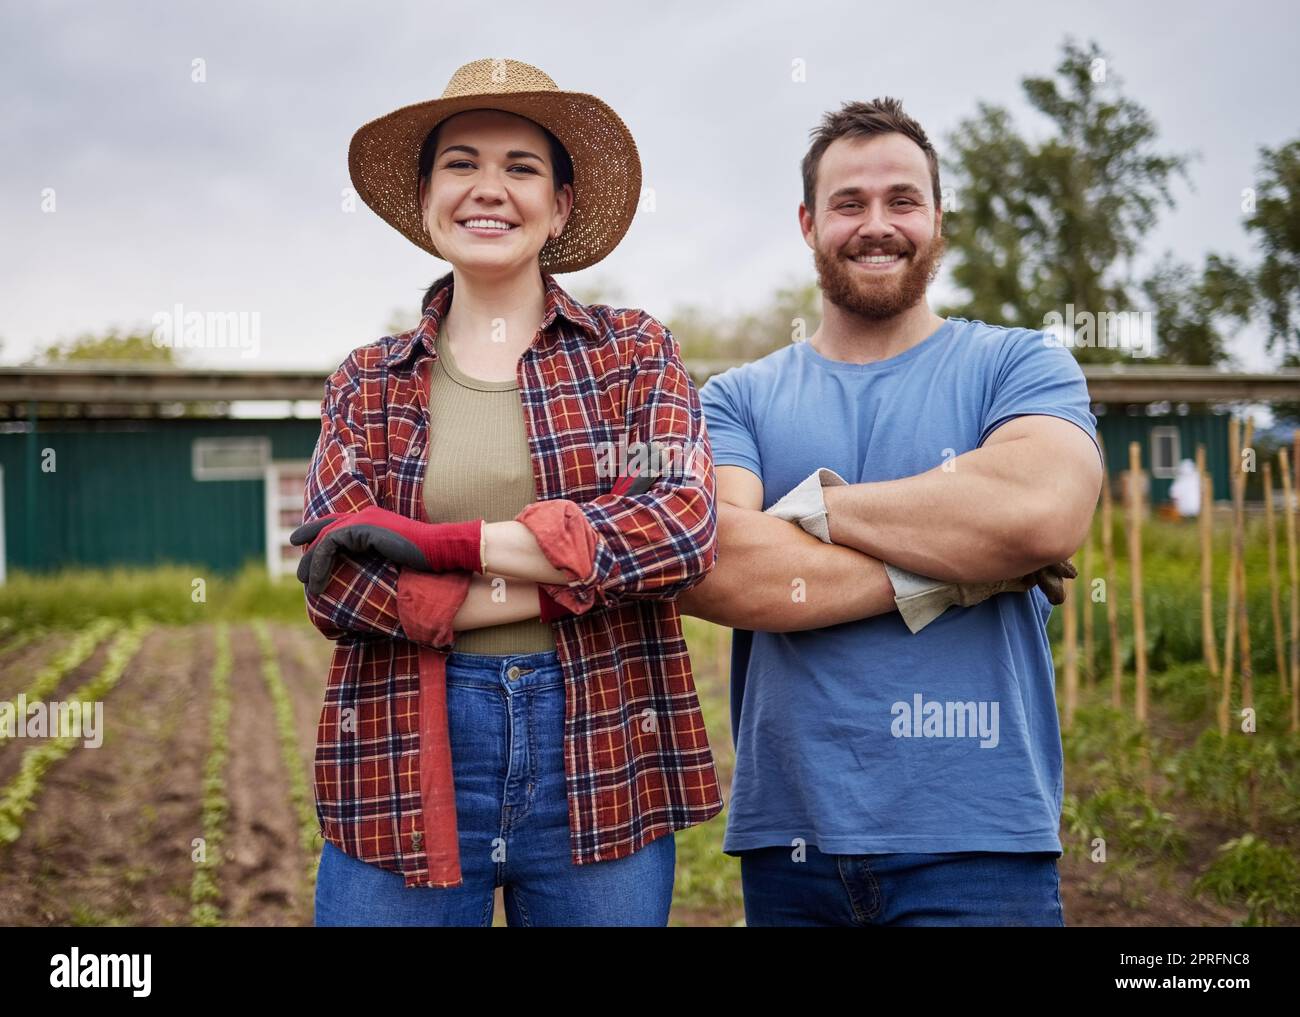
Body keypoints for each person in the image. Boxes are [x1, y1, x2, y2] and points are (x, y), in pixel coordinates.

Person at [295, 58, 720, 926]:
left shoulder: (633, 354)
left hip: (600, 748)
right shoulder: (368, 381)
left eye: (521, 167)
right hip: (403, 752)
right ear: (425, 198)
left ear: (561, 204)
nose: (489, 188)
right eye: (462, 163)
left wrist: (446, 546)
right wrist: (576, 570)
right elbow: (338, 581)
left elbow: (678, 528)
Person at [679, 97, 1104, 926]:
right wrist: (964, 571)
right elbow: (720, 564)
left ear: (939, 218)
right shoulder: (737, 397)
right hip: (791, 843)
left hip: (979, 841)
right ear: (808, 223)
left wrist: (803, 510)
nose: (877, 224)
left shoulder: (1019, 364)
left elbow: (1039, 515)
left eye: (902, 200)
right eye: (849, 203)